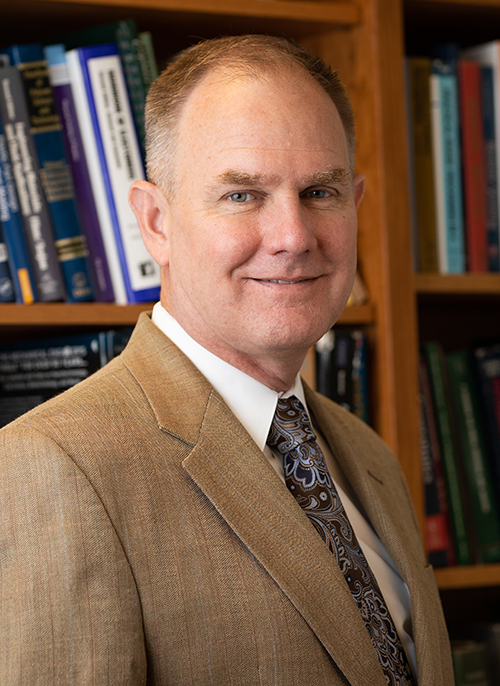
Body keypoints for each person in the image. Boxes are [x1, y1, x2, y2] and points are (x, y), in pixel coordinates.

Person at [0, 35, 453, 685]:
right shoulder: (54, 470)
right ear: (155, 221)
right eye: (242, 195)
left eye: (320, 192)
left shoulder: (368, 455)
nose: (294, 236)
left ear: (354, 207)